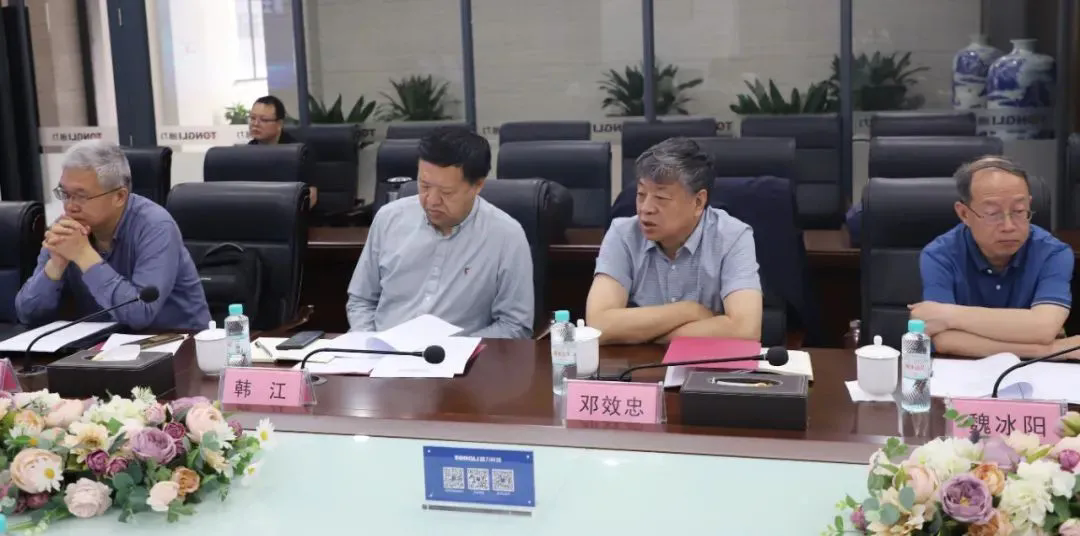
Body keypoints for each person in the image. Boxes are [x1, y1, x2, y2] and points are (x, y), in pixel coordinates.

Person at [346, 127, 534, 338]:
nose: (432, 200)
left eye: (446, 192)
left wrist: (457, 348)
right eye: (424, 186)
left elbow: (514, 325)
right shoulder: (388, 218)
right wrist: (367, 342)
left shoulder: (506, 236)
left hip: (462, 356)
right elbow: (361, 300)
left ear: (478, 185)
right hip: (382, 352)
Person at [15, 140, 210, 331]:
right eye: (64, 194)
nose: (70, 206)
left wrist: (84, 255)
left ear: (119, 197)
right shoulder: (66, 230)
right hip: (100, 344)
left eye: (81, 196)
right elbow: (26, 314)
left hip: (176, 341)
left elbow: (140, 313)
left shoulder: (156, 226)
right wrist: (55, 266)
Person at [585, 137, 763, 345]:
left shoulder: (732, 236)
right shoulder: (623, 234)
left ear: (698, 202)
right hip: (640, 364)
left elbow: (745, 329)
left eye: (661, 198)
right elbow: (598, 325)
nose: (645, 208)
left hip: (704, 363)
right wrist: (690, 310)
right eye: (641, 194)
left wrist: (646, 335)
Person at [914, 156, 1079, 358]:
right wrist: (1054, 349)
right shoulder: (939, 255)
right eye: (992, 213)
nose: (1009, 226)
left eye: (1019, 211)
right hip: (962, 369)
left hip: (1038, 370)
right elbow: (945, 341)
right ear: (964, 214)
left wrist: (949, 315)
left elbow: (1044, 328)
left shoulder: (1053, 253)